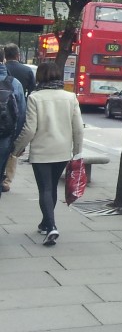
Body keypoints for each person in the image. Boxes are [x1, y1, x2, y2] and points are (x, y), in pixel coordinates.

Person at [11, 62, 82, 246]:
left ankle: (51, 227)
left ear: (40, 77)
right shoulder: (70, 97)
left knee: (45, 189)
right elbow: (78, 129)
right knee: (51, 189)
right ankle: (45, 222)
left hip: (42, 151)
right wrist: (77, 153)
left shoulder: (35, 98)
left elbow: (29, 130)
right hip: (63, 151)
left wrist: (17, 149)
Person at [0, 51, 28, 195]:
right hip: (5, 134)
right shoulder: (14, 83)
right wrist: (15, 138)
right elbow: (22, 114)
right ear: (3, 59)